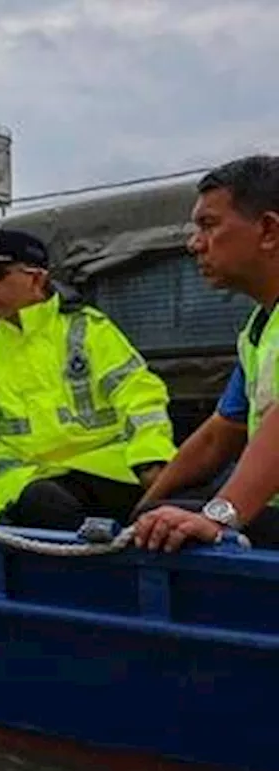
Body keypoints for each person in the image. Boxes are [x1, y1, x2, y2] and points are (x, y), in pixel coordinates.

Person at [0, 229, 177, 530]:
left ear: (37, 279)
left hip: (104, 468)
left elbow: (138, 395)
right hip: (27, 479)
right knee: (45, 504)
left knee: (176, 508)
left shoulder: (89, 329)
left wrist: (151, 459)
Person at [134, 156, 279, 552]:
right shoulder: (258, 330)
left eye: (209, 225)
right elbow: (220, 433)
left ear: (268, 231)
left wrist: (218, 517)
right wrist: (139, 511)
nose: (194, 243)